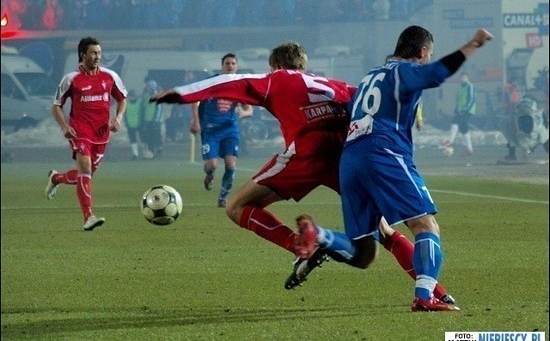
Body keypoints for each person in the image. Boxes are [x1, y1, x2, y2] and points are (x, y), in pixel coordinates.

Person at [150, 41, 455, 304]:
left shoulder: (277, 79)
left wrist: (181, 93)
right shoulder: (337, 86)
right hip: (348, 160)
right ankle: (435, 290)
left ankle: (300, 244)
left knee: (236, 206)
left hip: (307, 154)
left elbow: (231, 82)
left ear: (278, 65)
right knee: (378, 240)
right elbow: (372, 104)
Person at [299, 26, 493, 312]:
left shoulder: (368, 78)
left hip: (351, 157)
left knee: (361, 248)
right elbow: (436, 74)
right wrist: (474, 44)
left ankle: (320, 235)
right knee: (425, 225)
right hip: (385, 152)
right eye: (429, 54)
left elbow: (351, 111)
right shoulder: (403, 71)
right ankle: (424, 296)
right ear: (422, 52)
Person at [45, 36, 128, 231]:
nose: (98, 57)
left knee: (87, 173)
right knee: (85, 169)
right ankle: (88, 217)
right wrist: (65, 127)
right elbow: (56, 106)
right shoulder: (71, 79)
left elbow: (122, 99)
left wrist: (118, 118)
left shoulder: (110, 76)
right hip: (80, 131)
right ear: (83, 55)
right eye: (93, 53)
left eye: (99, 53)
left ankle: (56, 178)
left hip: (101, 133)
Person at [189, 53, 253, 208]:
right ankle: (209, 175)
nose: (230, 66)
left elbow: (249, 109)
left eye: (233, 63)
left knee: (231, 165)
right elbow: (193, 100)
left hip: (230, 130)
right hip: (210, 130)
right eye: (227, 63)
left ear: (236, 66)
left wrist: (243, 113)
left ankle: (223, 198)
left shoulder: (239, 87)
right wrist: (196, 121)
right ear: (222, 65)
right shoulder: (211, 83)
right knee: (212, 165)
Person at [443, 72, 476, 156]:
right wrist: (456, 110)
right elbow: (459, 100)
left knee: (455, 122)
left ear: (468, 78)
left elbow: (472, 99)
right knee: (463, 127)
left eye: (464, 77)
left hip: (467, 110)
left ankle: (450, 141)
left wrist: (465, 109)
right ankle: (469, 149)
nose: (462, 79)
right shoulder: (460, 88)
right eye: (461, 78)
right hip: (460, 110)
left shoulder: (470, 86)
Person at [141, 80, 164, 159]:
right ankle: (151, 152)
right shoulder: (146, 95)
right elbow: (144, 107)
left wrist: (156, 120)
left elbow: (159, 108)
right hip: (148, 120)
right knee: (149, 136)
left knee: (156, 136)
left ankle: (158, 151)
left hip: (156, 120)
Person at [124, 89, 142, 160]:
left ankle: (146, 153)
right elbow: (125, 115)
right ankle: (135, 154)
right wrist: (126, 123)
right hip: (130, 125)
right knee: (133, 140)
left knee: (142, 139)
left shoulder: (139, 103)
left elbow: (142, 113)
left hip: (139, 124)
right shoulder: (126, 104)